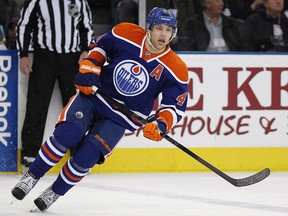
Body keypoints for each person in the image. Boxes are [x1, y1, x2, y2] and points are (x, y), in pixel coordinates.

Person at [11, 7, 189, 212]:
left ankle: (55, 191)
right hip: (93, 97)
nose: (163, 34)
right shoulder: (126, 33)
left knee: (87, 156)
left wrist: (161, 124)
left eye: (168, 29)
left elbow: (173, 106)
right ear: (148, 28)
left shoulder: (177, 68)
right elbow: (100, 47)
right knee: (67, 135)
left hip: (121, 118)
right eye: (158, 28)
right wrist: (91, 64)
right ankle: (32, 176)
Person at [16, 0, 94, 167]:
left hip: (72, 60)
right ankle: (29, 154)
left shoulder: (80, 1)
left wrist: (86, 50)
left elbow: (86, 26)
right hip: (44, 57)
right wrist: (23, 54)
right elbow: (24, 25)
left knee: (77, 109)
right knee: (36, 104)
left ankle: (79, 153)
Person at [174, 0, 242, 51]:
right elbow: (185, 46)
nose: (222, 3)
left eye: (222, 1)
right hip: (204, 61)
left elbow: (242, 46)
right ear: (207, 4)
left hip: (231, 60)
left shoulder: (231, 23)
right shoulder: (192, 23)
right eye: (217, 1)